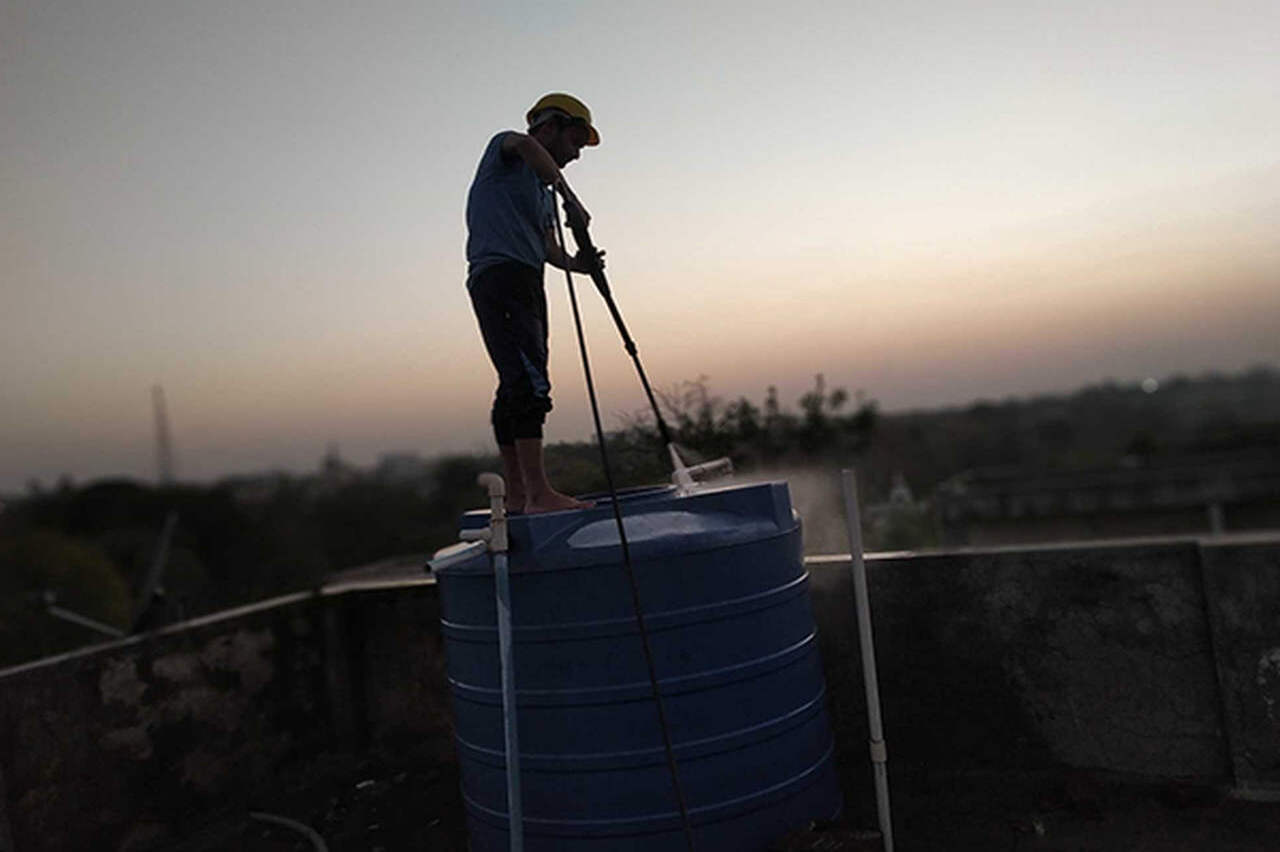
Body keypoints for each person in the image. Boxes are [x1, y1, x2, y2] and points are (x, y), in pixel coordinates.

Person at [465, 93, 604, 514]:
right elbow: (525, 146)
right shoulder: (507, 149)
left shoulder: (542, 193)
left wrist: (580, 265)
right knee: (529, 382)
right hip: (501, 276)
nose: (577, 154)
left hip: (526, 277)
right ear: (549, 126)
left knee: (514, 384)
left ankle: (521, 496)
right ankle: (540, 495)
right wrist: (571, 198)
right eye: (576, 140)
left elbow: (546, 247)